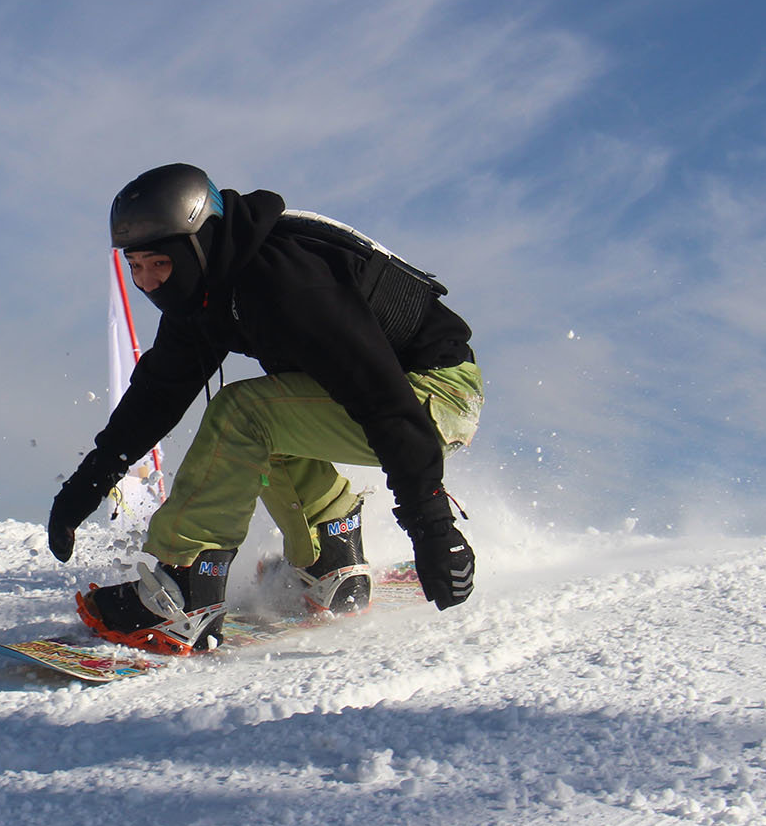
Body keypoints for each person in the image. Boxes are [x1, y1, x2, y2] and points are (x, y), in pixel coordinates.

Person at [48, 163, 482, 654]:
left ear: (197, 244)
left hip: (432, 397)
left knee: (245, 412)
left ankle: (180, 592)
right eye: (136, 266)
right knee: (266, 414)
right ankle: (331, 554)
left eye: (160, 264)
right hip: (394, 400)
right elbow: (157, 394)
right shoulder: (209, 291)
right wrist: (85, 487)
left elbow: (385, 402)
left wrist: (432, 528)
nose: (147, 283)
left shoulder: (289, 285)